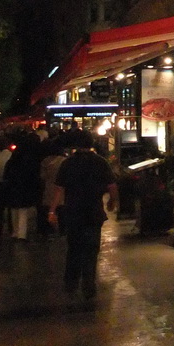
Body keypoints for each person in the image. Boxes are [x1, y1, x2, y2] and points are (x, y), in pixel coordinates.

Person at [50, 130, 118, 307]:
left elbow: (59, 189)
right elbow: (112, 186)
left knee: (74, 248)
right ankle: (88, 285)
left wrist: (52, 211)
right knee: (91, 250)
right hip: (93, 212)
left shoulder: (68, 163)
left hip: (73, 212)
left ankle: (71, 282)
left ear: (76, 145)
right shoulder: (101, 162)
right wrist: (112, 201)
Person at [3, 132, 42, 240]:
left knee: (14, 210)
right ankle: (21, 233)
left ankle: (15, 232)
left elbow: (6, 174)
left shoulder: (12, 160)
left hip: (13, 187)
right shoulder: (31, 160)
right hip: (24, 187)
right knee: (23, 211)